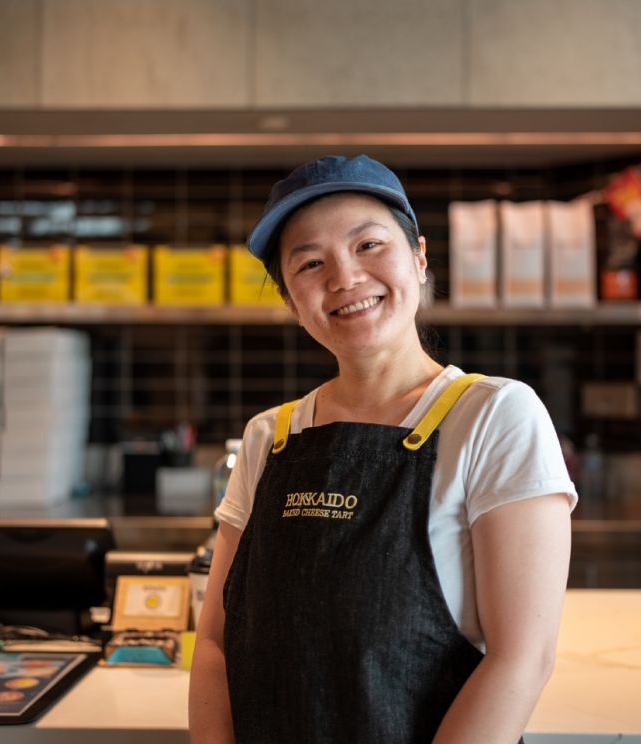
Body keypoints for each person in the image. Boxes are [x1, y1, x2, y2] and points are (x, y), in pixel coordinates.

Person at [189, 155, 576, 744]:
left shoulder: (496, 416)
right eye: (310, 263)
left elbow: (521, 660)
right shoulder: (270, 436)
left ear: (418, 257)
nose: (343, 278)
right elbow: (215, 643)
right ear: (293, 301)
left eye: (368, 245)